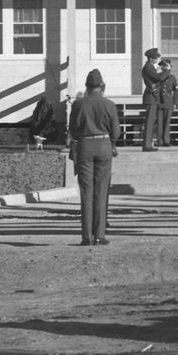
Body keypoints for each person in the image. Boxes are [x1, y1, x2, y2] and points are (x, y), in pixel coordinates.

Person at [68, 68, 121, 245]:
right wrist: (110, 140)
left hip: (84, 146)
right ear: (102, 86)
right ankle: (100, 235)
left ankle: (86, 236)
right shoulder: (110, 105)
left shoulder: (78, 104)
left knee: (86, 191)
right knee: (101, 190)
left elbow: (73, 130)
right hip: (104, 145)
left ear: (86, 86)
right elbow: (116, 132)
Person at [140, 48, 164, 151]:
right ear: (150, 59)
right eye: (155, 58)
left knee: (151, 121)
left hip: (153, 96)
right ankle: (147, 145)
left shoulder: (150, 67)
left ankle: (148, 144)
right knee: (149, 122)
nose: (157, 60)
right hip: (151, 96)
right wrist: (166, 71)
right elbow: (158, 78)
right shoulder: (148, 67)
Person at [156, 59, 178, 147]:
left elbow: (176, 90)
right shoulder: (159, 76)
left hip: (169, 101)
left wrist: (175, 102)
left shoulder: (172, 77)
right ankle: (159, 141)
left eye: (167, 66)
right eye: (164, 66)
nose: (166, 68)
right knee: (160, 122)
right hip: (159, 101)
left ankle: (166, 141)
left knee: (166, 123)